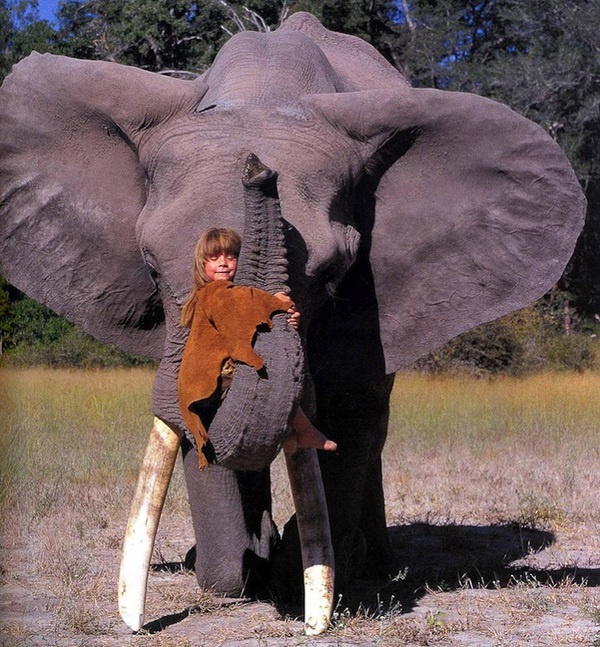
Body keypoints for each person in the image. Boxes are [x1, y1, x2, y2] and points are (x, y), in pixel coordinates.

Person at [178, 227, 337, 464]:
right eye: (214, 258)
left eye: (231, 257)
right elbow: (246, 301)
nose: (223, 263)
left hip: (209, 379)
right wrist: (276, 302)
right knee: (274, 371)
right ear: (202, 264)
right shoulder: (215, 293)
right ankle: (303, 429)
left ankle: (296, 430)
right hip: (214, 378)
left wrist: (285, 321)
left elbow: (245, 324)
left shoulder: (219, 294)